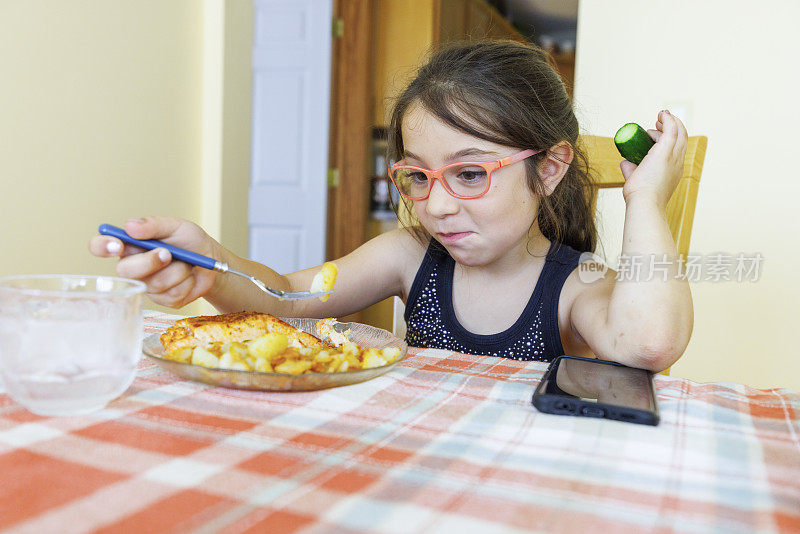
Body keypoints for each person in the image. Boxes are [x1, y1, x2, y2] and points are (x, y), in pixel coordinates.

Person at [89, 40, 692, 372]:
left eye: (471, 174)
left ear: (550, 168)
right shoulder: (408, 256)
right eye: (418, 178)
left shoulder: (576, 285)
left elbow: (646, 345)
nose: (439, 206)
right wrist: (207, 262)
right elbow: (287, 296)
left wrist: (644, 199)